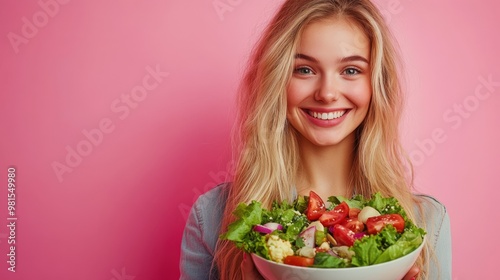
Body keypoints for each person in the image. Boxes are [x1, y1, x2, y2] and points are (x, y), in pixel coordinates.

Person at [180, 0, 452, 279]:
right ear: (277, 79)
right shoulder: (212, 217)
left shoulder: (427, 222)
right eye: (305, 70)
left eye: (351, 70)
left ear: (376, 85)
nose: (327, 93)